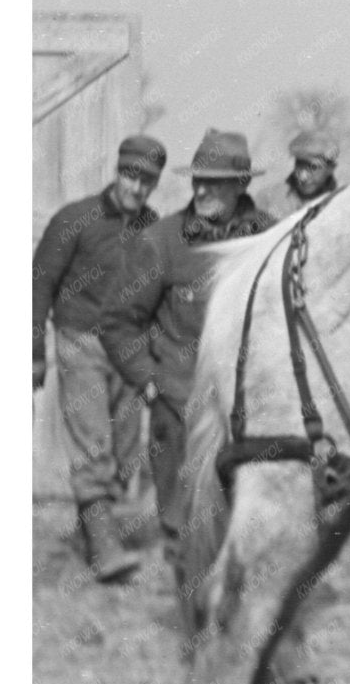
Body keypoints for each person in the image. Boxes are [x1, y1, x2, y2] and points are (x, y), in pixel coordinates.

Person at [100, 128, 274, 595]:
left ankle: (249, 635)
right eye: (197, 179)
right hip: (179, 411)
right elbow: (119, 321)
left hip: (251, 416)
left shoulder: (272, 239)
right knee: (185, 531)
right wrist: (149, 382)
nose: (200, 190)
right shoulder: (162, 242)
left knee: (250, 529)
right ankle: (197, 636)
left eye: (214, 182)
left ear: (240, 185)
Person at [31, 134, 168, 583]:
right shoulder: (75, 219)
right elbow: (39, 285)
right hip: (81, 341)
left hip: (129, 349)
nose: (137, 187)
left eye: (147, 181)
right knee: (93, 443)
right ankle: (104, 548)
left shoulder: (155, 227)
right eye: (131, 176)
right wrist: (32, 351)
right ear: (117, 171)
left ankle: (93, 529)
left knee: (126, 451)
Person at [279, 129, 340, 212]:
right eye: (300, 165)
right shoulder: (271, 200)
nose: (303, 175)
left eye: (313, 168)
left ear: (330, 168)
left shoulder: (343, 201)